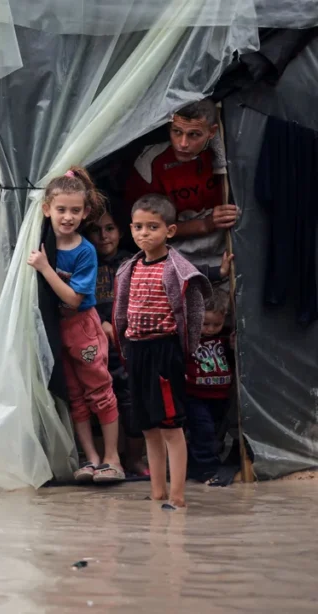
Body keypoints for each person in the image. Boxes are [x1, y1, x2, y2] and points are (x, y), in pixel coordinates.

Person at [26, 168, 124, 483]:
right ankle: (90, 459)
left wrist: (44, 268)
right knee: (74, 395)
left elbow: (72, 299)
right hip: (57, 330)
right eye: (61, 210)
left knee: (99, 390)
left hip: (82, 327)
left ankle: (113, 458)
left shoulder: (85, 252)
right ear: (46, 210)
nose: (67, 217)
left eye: (75, 211)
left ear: (85, 214)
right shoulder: (43, 240)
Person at [113, 194, 211, 510]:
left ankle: (177, 496)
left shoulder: (176, 269)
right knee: (148, 426)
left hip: (164, 352)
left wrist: (184, 352)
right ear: (130, 229)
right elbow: (122, 311)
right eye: (139, 227)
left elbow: (192, 315)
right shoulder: (130, 267)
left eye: (152, 227)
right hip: (138, 351)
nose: (144, 234)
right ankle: (157, 492)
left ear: (169, 231)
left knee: (170, 425)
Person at [124, 99, 240, 266]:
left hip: (226, 255)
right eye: (177, 132)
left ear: (212, 132)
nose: (183, 144)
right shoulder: (149, 163)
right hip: (172, 258)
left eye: (194, 134)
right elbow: (143, 229)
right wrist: (203, 225)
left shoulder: (227, 155)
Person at [85, 210, 147, 476]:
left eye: (110, 228)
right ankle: (106, 459)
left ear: (122, 232)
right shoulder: (84, 261)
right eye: (96, 230)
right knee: (99, 399)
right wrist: (101, 321)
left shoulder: (134, 262)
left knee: (133, 399)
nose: (103, 236)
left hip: (130, 342)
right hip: (93, 342)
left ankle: (134, 459)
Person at [186, 288, 235, 485]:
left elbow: (231, 361)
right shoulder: (188, 339)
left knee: (214, 434)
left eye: (217, 324)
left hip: (221, 395)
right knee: (203, 431)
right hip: (195, 395)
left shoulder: (224, 339)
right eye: (205, 323)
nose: (210, 328)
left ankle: (199, 467)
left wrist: (232, 347)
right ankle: (208, 471)